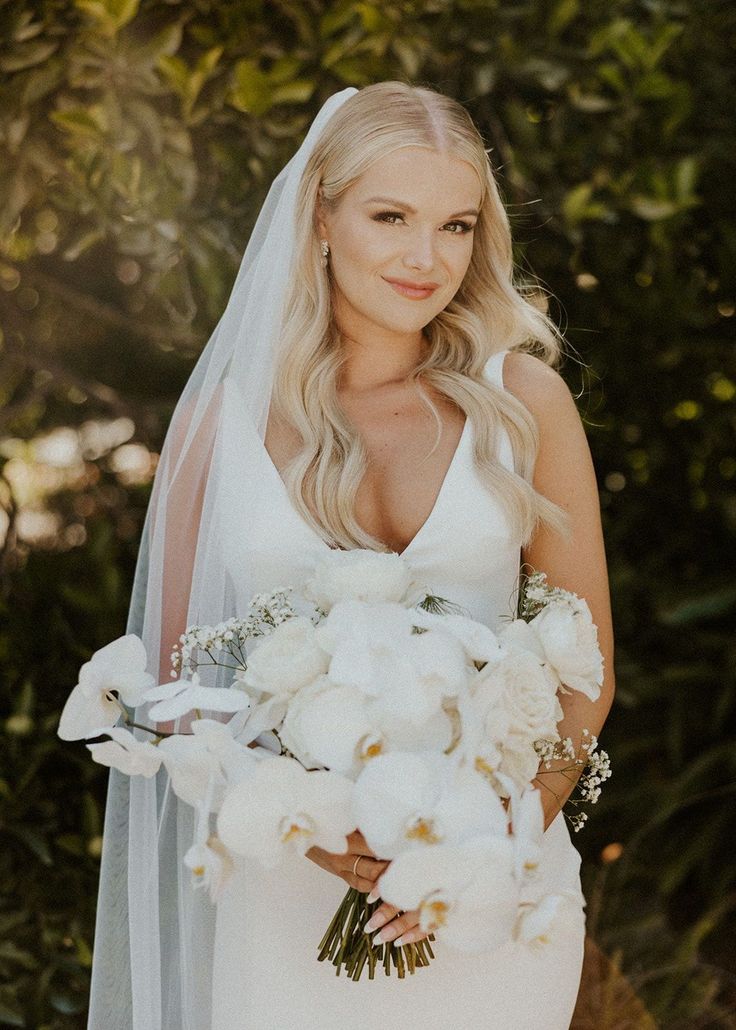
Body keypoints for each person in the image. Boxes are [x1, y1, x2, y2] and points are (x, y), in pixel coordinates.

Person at [88, 81, 615, 1029]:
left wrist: (492, 848)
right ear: (321, 216)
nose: (426, 258)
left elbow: (589, 672)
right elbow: (172, 686)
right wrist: (313, 829)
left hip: (494, 895)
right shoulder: (224, 426)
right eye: (391, 216)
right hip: (286, 884)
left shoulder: (523, 402)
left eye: (456, 226)